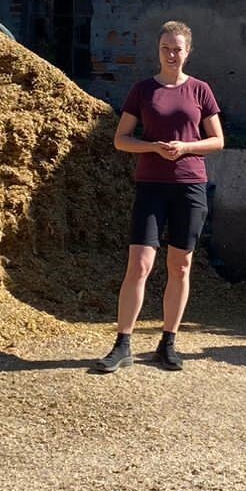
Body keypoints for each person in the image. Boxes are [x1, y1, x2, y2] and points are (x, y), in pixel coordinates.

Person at [92, 20, 224, 374]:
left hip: (190, 185)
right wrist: (151, 147)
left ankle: (168, 343)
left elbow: (217, 141)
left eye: (177, 49)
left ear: (188, 51)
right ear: (158, 50)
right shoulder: (143, 89)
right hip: (151, 185)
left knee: (180, 266)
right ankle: (123, 344)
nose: (171, 54)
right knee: (140, 264)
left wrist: (185, 147)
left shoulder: (200, 90)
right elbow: (121, 138)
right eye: (166, 48)